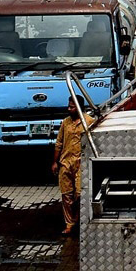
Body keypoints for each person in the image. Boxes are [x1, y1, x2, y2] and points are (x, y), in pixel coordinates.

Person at [51, 99, 94, 236]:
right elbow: (59, 143)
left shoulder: (89, 121)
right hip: (66, 163)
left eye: (72, 107)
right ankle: (69, 224)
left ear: (79, 107)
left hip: (81, 163)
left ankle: (82, 221)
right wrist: (55, 162)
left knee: (80, 194)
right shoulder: (65, 122)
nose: (69, 109)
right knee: (66, 195)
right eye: (68, 107)